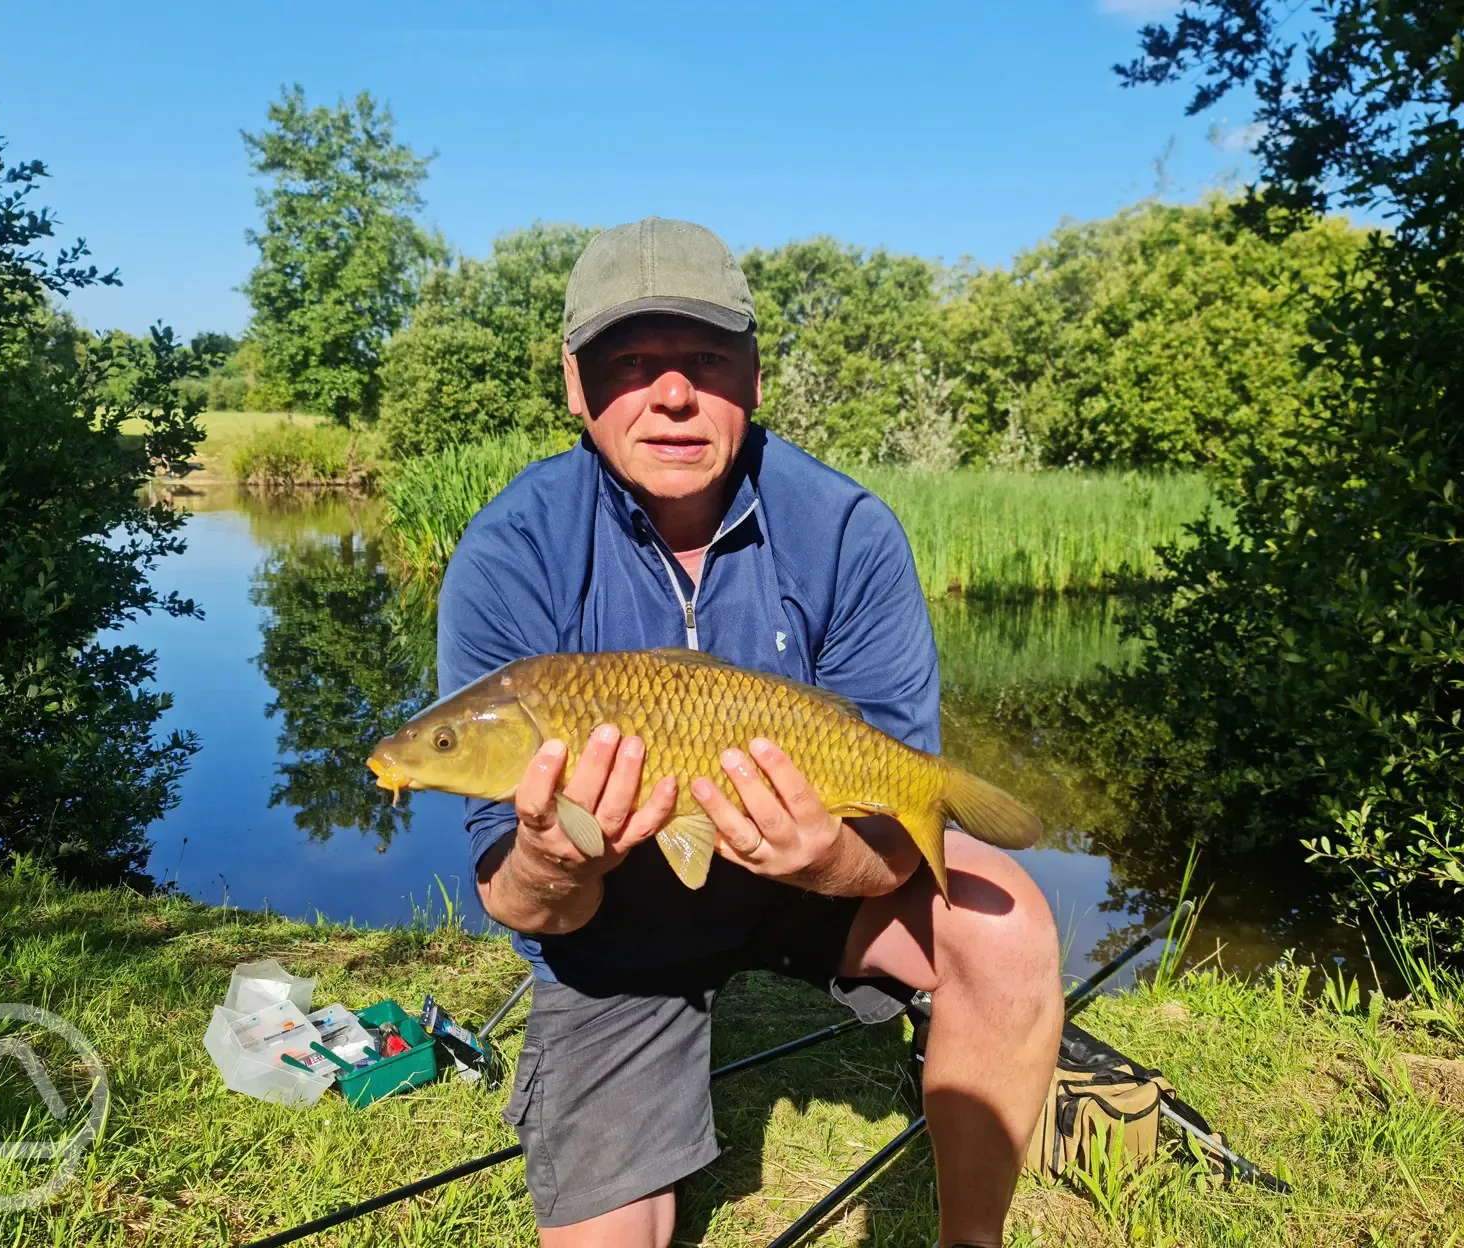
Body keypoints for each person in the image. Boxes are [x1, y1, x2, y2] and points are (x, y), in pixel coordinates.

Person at [437, 217, 1063, 1248]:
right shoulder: (512, 551)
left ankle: (971, 1239)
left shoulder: (846, 529)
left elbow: (899, 837)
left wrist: (829, 858)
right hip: (614, 932)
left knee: (1004, 921)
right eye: (629, 365)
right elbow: (515, 894)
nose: (671, 394)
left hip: (805, 891)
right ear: (574, 385)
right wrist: (555, 858)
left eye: (705, 361)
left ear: (756, 378)